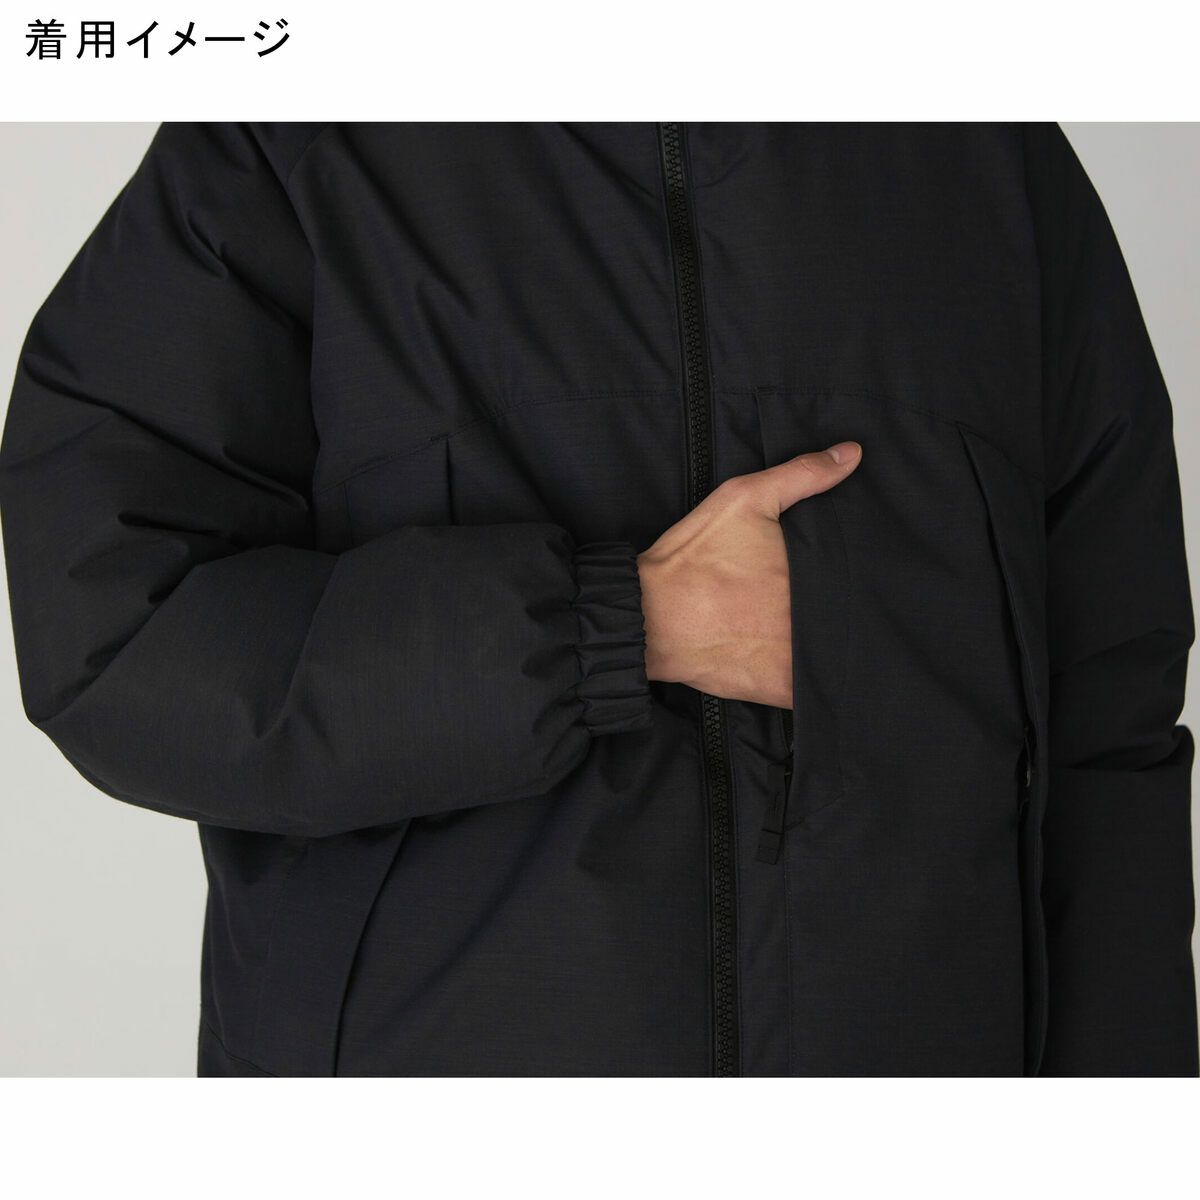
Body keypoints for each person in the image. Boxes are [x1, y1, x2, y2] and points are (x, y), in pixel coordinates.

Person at [0, 122, 1194, 1077]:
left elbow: (1110, 721)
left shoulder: (984, 152)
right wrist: (619, 624)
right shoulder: (302, 138)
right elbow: (116, 626)